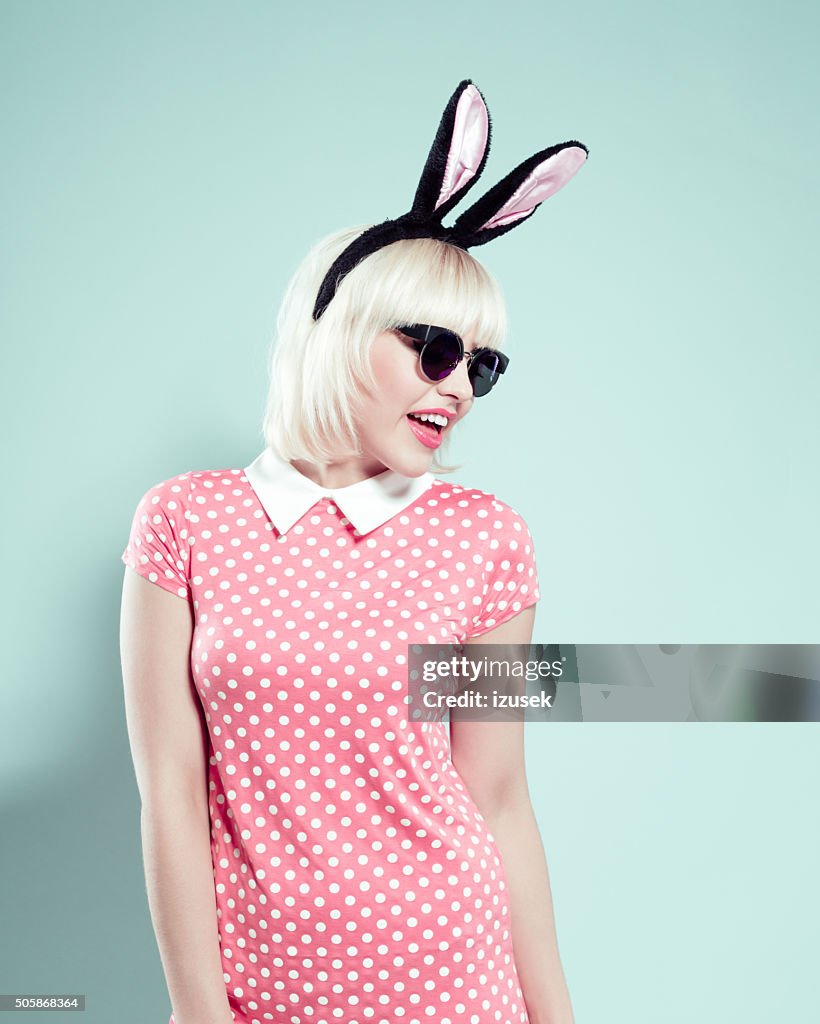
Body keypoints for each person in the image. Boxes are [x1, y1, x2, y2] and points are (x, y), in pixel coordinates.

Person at [119, 80, 586, 1024]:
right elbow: (171, 796)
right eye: (432, 349)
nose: (456, 389)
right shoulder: (184, 522)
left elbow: (498, 801)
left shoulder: (486, 539)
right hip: (257, 993)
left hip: (454, 983)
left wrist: (558, 1017)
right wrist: (197, 1013)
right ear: (336, 332)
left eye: (481, 364)